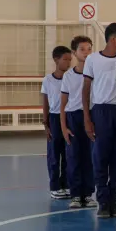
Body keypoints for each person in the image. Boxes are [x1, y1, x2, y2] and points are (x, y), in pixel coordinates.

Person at [82, 23, 116, 219]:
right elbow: (86, 89)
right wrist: (87, 118)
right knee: (100, 157)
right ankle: (102, 201)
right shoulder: (93, 59)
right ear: (113, 39)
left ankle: (114, 200)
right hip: (101, 111)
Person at [60, 36, 96, 209]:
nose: (86, 53)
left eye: (89, 49)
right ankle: (75, 194)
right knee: (74, 157)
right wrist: (64, 127)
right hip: (74, 117)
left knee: (90, 157)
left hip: (92, 116)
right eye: (82, 49)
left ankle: (88, 194)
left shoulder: (95, 74)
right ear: (74, 52)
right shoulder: (68, 76)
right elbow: (63, 104)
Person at [41, 46, 72, 200]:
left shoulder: (71, 78)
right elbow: (45, 103)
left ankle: (66, 184)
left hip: (69, 118)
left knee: (68, 154)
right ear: (56, 60)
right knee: (54, 155)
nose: (68, 62)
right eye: (65, 59)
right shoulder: (48, 80)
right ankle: (54, 186)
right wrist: (46, 124)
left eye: (70, 60)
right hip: (54, 118)